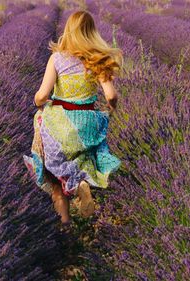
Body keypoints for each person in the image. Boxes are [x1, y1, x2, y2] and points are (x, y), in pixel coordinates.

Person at [22, 10, 122, 226]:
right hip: (87, 125)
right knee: (83, 160)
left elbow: (42, 95)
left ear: (69, 30)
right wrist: (110, 109)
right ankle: (82, 185)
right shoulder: (97, 59)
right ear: (91, 32)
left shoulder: (57, 59)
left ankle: (66, 221)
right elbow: (111, 94)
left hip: (59, 124)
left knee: (52, 174)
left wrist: (40, 103)